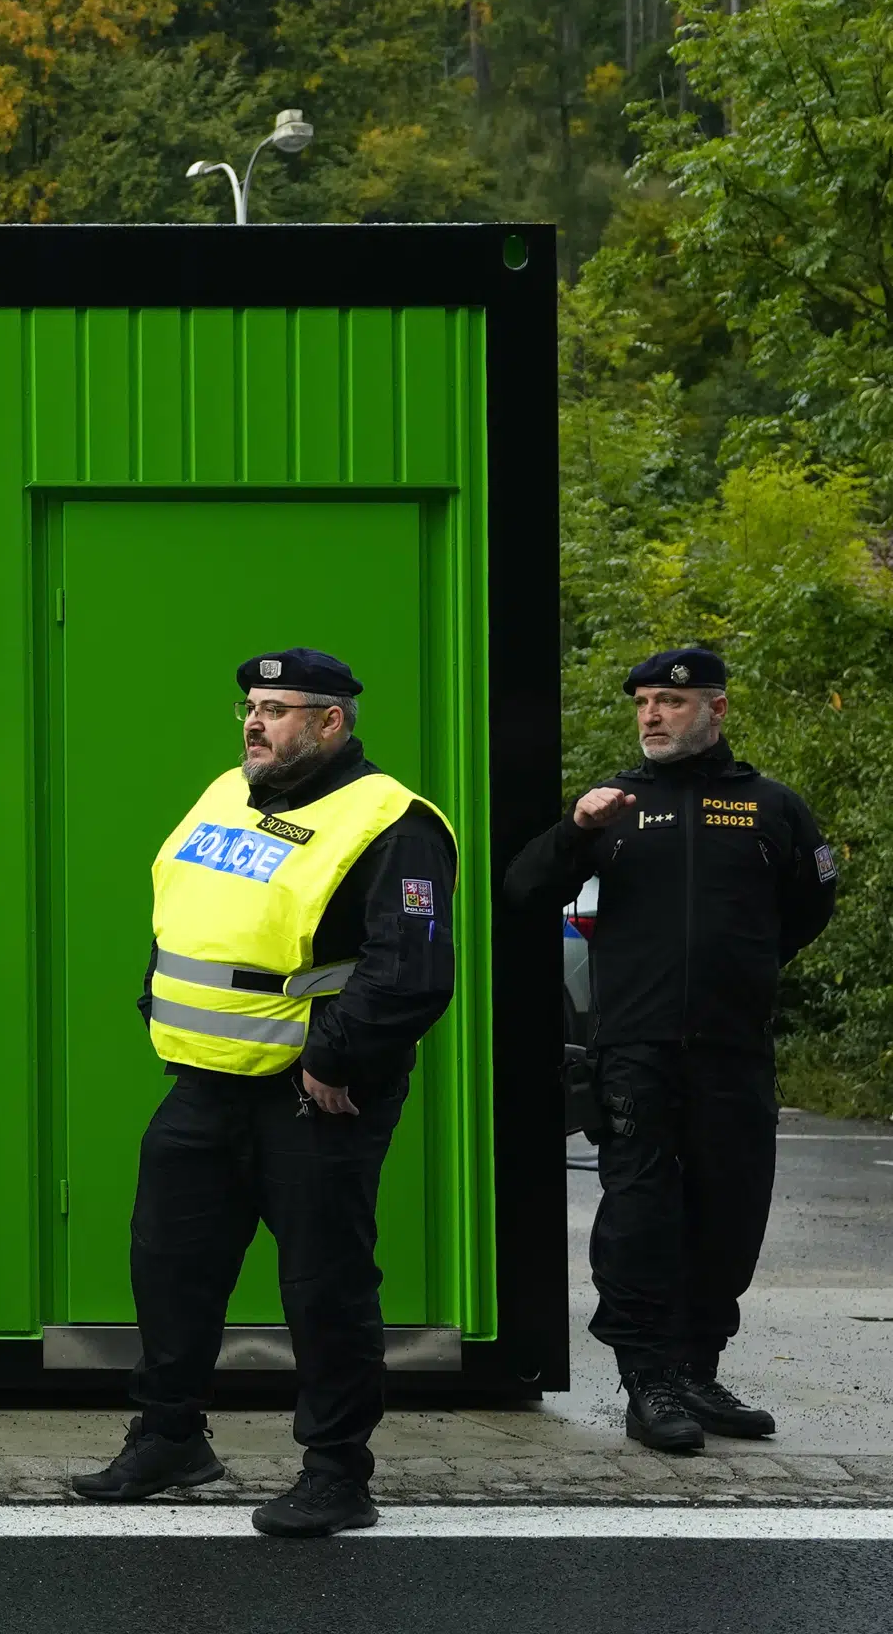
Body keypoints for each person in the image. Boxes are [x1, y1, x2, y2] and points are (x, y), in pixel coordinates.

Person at [67, 650, 456, 1539]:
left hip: (314, 1096)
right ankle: (170, 1438)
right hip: (203, 1083)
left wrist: (337, 1060)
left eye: (278, 709)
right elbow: (187, 914)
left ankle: (335, 1473)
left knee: (324, 1287)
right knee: (170, 1266)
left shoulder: (393, 822)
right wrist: (156, 1003)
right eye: (250, 706)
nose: (254, 723)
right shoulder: (225, 792)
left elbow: (412, 971)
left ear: (332, 723)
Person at [504, 646, 837, 1452]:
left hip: (732, 1049)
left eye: (671, 702)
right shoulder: (614, 808)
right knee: (641, 1217)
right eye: (644, 702)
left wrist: (744, 974)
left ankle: (697, 1370)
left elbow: (807, 908)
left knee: (729, 1209)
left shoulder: (771, 807)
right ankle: (647, 1380)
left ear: (716, 710)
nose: (652, 714)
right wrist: (572, 832)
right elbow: (520, 891)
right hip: (635, 1053)